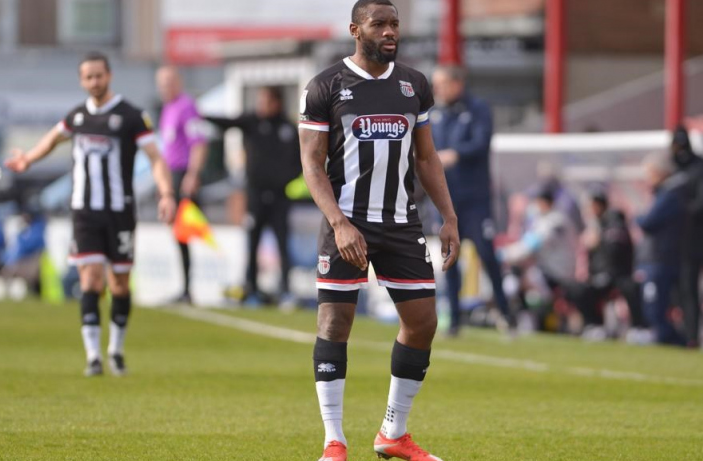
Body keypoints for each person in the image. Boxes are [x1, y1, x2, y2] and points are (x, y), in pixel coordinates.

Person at [299, 1, 460, 460]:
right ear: (356, 29)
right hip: (346, 222)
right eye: (380, 24)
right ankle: (334, 440)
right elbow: (311, 165)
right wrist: (338, 223)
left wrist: (448, 217)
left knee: (423, 322)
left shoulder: (414, 85)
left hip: (401, 222)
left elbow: (426, 158)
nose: (390, 32)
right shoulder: (325, 86)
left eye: (394, 24)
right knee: (335, 322)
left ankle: (393, 432)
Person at [5, 51, 176, 377]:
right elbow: (54, 138)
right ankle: (93, 356)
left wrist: (166, 193)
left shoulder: (131, 116)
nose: (94, 82)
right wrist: (28, 159)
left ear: (109, 75)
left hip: (120, 211)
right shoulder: (77, 117)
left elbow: (156, 157)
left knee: (120, 284)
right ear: (82, 81)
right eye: (88, 77)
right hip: (84, 212)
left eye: (99, 75)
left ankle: (116, 349)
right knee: (91, 279)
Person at [430, 65, 513, 336]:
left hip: (475, 200)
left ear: (456, 83)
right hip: (447, 202)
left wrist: (455, 154)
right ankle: (454, 321)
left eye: (441, 83)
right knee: (449, 260)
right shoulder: (436, 113)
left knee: (487, 256)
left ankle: (506, 314)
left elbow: (481, 143)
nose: (438, 89)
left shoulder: (478, 109)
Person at [205, 86, 301, 307]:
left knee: (282, 243)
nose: (261, 106)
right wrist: (200, 115)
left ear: (276, 103)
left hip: (279, 197)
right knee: (252, 242)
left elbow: (299, 164)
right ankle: (251, 289)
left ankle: (286, 291)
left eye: (265, 101)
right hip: (255, 196)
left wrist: (282, 181)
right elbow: (227, 123)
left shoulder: (288, 129)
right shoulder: (252, 122)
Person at [156, 65, 209, 305]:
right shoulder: (168, 108)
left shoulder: (186, 106)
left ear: (178, 82)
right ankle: (184, 287)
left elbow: (198, 142)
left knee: (184, 232)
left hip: (181, 174)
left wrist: (192, 174)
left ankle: (188, 288)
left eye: (169, 81)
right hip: (170, 175)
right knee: (178, 233)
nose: (164, 87)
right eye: (161, 82)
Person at [567, 189, 644, 340]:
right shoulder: (596, 224)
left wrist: (599, 241)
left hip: (618, 275)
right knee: (577, 289)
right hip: (600, 275)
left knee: (629, 288)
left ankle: (638, 328)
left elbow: (614, 252)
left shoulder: (614, 222)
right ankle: (594, 325)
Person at [500, 188, 578, 320]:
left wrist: (502, 254)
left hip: (557, 273)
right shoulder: (547, 219)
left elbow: (529, 246)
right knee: (518, 274)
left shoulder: (554, 221)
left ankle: (534, 317)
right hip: (550, 269)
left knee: (522, 279)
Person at [635, 152, 687, 346]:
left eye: (650, 173)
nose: (648, 178)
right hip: (657, 258)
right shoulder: (664, 193)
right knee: (654, 305)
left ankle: (672, 340)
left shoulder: (671, 194)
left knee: (655, 306)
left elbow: (648, 221)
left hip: (661, 259)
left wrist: (638, 217)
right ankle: (670, 339)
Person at [671, 126, 703, 348]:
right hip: (673, 243)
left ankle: (692, 336)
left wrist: (680, 210)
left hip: (692, 243)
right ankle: (678, 332)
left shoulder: (700, 170)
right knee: (675, 289)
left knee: (689, 289)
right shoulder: (675, 169)